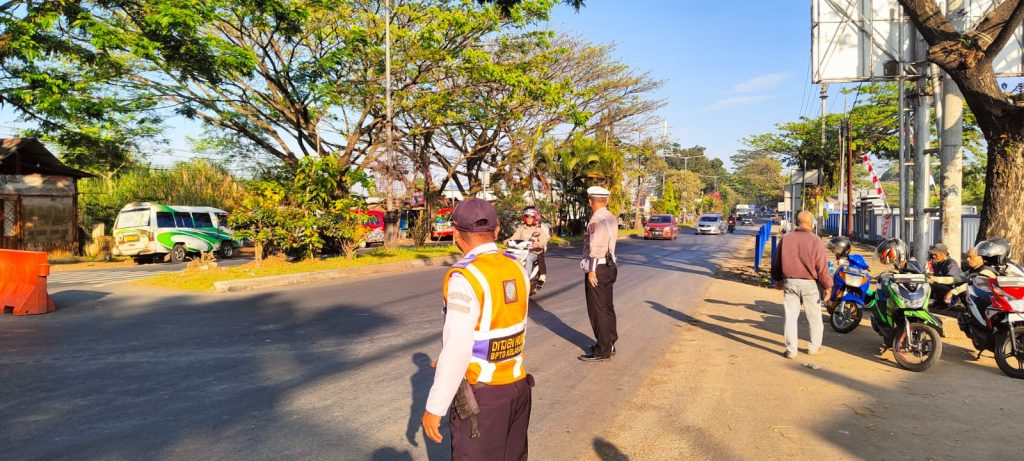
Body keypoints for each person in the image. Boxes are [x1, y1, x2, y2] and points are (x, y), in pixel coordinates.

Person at [421, 198, 534, 460]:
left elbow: (458, 348)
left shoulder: (465, 277)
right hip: (518, 389)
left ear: (456, 235)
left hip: (482, 399)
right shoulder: (516, 268)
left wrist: (435, 407)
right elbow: (503, 326)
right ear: (497, 231)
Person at [770, 210, 832, 359]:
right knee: (815, 318)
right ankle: (814, 347)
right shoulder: (816, 241)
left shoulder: (786, 239)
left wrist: (778, 280)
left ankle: (791, 350)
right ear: (811, 224)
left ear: (797, 223)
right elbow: (822, 267)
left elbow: (776, 262)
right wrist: (827, 286)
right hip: (810, 284)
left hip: (790, 283)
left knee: (791, 317)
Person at [579, 185, 619, 362]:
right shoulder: (611, 217)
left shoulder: (596, 220)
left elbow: (596, 245)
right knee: (607, 307)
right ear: (607, 201)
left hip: (598, 267)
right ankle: (609, 342)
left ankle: (603, 350)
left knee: (597, 310)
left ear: (590, 202)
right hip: (610, 267)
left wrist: (591, 270)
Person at [930, 238, 1009, 307]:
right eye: (967, 257)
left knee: (965, 289)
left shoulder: (986, 271)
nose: (967, 259)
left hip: (990, 303)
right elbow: (955, 279)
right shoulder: (973, 269)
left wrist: (952, 291)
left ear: (981, 258)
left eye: (971, 257)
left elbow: (973, 284)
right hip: (980, 302)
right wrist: (935, 279)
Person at [508, 206, 551, 289]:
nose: (529, 219)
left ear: (535, 218)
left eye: (531, 218)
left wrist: (537, 244)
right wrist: (507, 240)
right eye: (527, 217)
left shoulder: (539, 229)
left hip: (534, 252)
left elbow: (543, 240)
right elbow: (515, 236)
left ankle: (526, 280)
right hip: (521, 250)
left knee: (528, 258)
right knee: (509, 256)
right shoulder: (521, 228)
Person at [925, 243, 962, 309]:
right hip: (943, 290)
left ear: (943, 254)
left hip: (952, 293)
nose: (933, 256)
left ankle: (948, 303)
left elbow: (951, 280)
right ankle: (939, 302)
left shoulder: (951, 263)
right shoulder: (937, 263)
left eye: (935, 254)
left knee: (935, 286)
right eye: (933, 254)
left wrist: (935, 279)